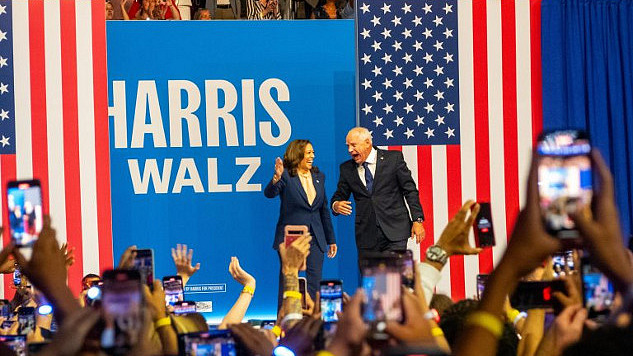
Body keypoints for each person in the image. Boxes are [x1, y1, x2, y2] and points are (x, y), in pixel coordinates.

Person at [331, 127, 425, 261]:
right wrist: (336, 204)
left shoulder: (393, 159)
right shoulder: (346, 169)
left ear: (367, 142)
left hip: (395, 231)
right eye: (348, 146)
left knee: (393, 278)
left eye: (353, 145)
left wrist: (417, 220)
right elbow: (340, 194)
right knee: (372, 280)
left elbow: (409, 190)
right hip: (366, 235)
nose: (350, 150)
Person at [264, 139, 337, 306]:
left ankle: (312, 324)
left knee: (314, 284)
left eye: (313, 152)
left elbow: (323, 209)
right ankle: (286, 325)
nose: (313, 156)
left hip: (315, 239)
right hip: (291, 240)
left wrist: (330, 239)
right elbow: (269, 193)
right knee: (290, 284)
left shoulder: (319, 176)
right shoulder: (287, 176)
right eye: (309, 153)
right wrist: (276, 177)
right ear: (298, 154)